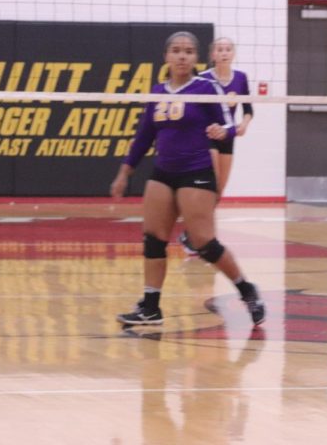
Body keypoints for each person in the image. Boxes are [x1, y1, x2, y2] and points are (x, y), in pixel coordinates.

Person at [110, 31, 265, 327]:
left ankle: (247, 290)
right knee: (153, 240)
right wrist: (124, 171)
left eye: (189, 51)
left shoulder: (205, 87)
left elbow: (230, 123)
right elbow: (144, 136)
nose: (183, 56)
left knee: (203, 242)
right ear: (166, 56)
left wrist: (223, 132)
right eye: (177, 51)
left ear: (196, 58)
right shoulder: (158, 91)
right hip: (163, 173)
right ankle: (151, 306)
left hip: (196, 172)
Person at [179, 37, 254, 254]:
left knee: (220, 191)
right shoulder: (203, 79)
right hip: (208, 136)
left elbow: (248, 109)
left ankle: (192, 233)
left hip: (228, 137)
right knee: (208, 188)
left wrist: (244, 124)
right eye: (219, 49)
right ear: (212, 55)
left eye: (228, 49)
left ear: (233, 54)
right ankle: (198, 235)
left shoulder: (240, 79)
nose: (224, 53)